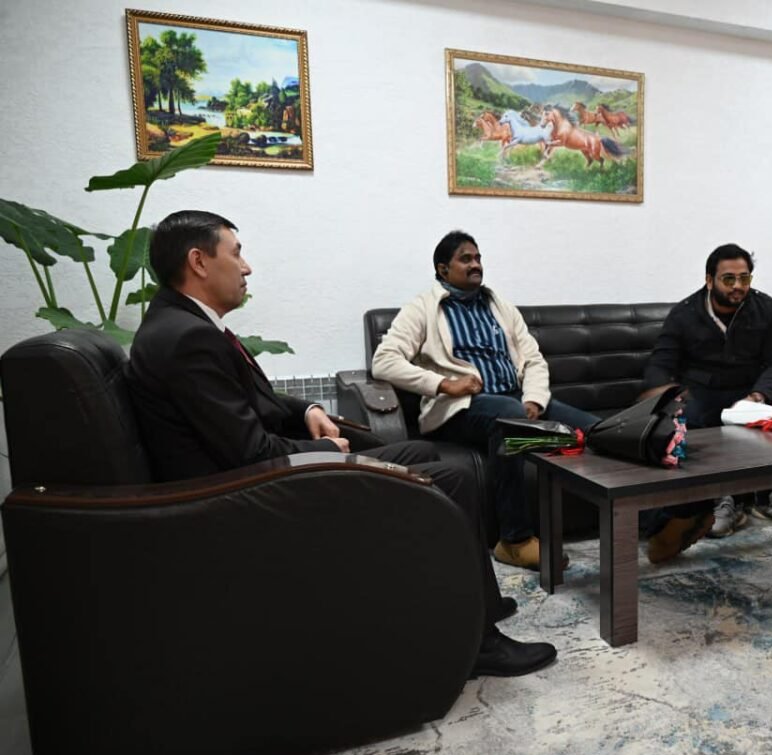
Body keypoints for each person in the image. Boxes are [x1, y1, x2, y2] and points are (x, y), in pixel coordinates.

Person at [126, 210, 556, 678]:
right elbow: (252, 454)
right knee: (453, 478)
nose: (246, 267)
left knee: (420, 454)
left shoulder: (184, 324)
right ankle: (479, 644)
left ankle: (470, 600)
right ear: (199, 262)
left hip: (254, 480)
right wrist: (330, 453)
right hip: (247, 501)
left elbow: (252, 401)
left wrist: (307, 410)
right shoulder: (188, 338)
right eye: (237, 253)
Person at [371, 231, 599, 570]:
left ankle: (655, 520)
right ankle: (514, 540)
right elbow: (384, 361)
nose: (476, 264)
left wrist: (535, 400)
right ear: (443, 269)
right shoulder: (423, 308)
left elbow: (533, 359)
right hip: (461, 410)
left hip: (517, 402)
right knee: (509, 419)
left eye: (478, 258)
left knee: (599, 430)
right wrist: (444, 384)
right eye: (466, 259)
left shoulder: (499, 306)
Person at [640, 243, 772, 562]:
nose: (738, 286)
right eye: (728, 279)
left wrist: (758, 395)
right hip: (702, 392)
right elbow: (660, 363)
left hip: (750, 391)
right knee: (685, 422)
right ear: (710, 280)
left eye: (744, 278)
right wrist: (663, 391)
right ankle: (714, 502)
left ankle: (769, 497)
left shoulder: (764, 307)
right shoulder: (685, 313)